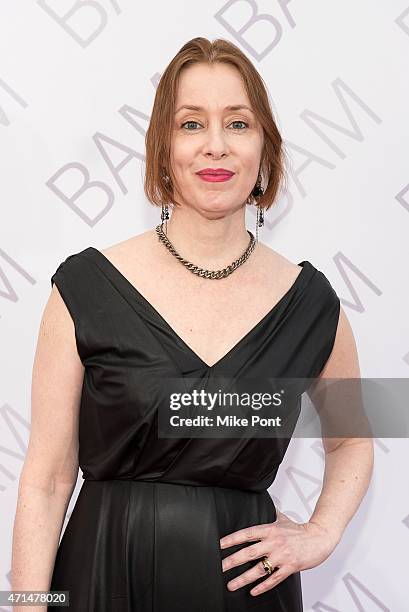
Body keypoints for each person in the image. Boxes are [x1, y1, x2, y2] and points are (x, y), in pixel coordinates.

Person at [11, 37, 374, 611]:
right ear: (163, 147)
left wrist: (321, 532)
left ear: (264, 148)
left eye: (237, 123)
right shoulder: (84, 289)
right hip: (103, 580)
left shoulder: (311, 305)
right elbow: (47, 478)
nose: (215, 146)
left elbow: (354, 436)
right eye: (190, 124)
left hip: (249, 592)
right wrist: (30, 605)